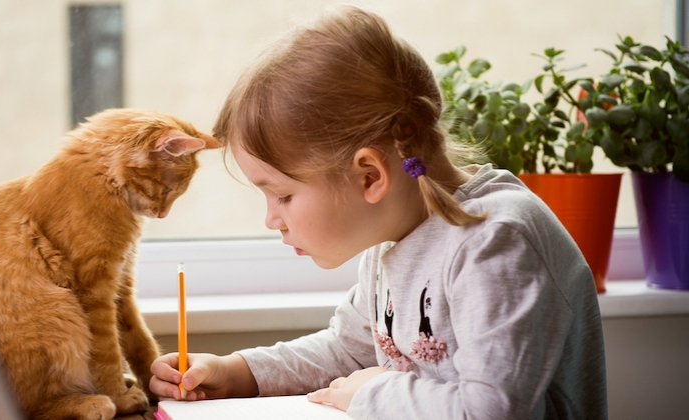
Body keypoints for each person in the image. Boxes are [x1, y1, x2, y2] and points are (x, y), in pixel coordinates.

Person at [149, 6, 607, 419]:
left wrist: (375, 391)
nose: (272, 219)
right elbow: (348, 352)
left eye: (283, 195)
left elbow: (491, 409)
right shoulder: (394, 238)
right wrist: (237, 372)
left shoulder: (497, 240)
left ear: (369, 176)